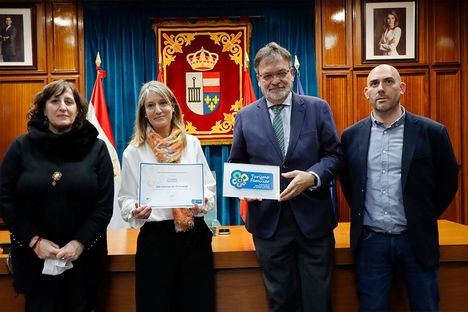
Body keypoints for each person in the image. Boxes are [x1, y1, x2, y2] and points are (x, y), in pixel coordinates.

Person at [229, 42, 343, 312]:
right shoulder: (245, 116)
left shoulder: (317, 108)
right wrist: (243, 187)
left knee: (318, 301)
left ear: (291, 73)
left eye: (281, 72)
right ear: (258, 80)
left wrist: (313, 176)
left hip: (314, 223)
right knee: (280, 302)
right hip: (269, 224)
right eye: (267, 75)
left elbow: (335, 156)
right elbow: (236, 165)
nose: (275, 80)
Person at [340, 64, 459, 311]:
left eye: (388, 82)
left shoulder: (432, 132)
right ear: (366, 92)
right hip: (371, 243)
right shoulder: (351, 136)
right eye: (374, 84)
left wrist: (422, 215)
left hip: (416, 240)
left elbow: (448, 182)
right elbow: (350, 186)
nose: (381, 89)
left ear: (401, 87)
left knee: (426, 306)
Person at [0, 80, 114, 311]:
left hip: (85, 261)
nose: (63, 106)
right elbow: (4, 198)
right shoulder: (21, 147)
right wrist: (34, 241)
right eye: (55, 101)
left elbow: (103, 206)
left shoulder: (97, 149)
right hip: (35, 260)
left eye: (69, 102)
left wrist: (79, 243)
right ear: (43, 108)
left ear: (78, 111)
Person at [118, 81, 216, 312]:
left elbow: (208, 188)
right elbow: (125, 199)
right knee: (156, 304)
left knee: (197, 304)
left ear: (173, 106)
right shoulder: (133, 151)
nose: (158, 110)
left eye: (163, 103)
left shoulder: (191, 143)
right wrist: (134, 209)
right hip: (156, 240)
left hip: (194, 238)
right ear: (144, 112)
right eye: (150, 105)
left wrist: (203, 201)